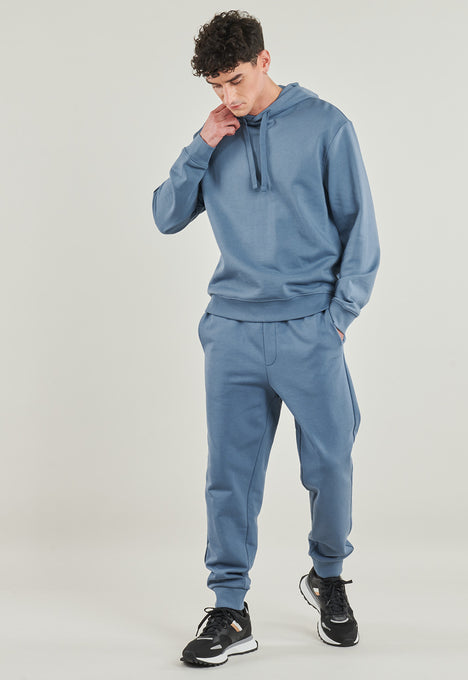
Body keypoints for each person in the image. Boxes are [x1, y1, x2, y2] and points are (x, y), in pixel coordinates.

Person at [152, 9, 380, 667]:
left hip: (310, 328)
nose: (229, 96)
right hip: (232, 333)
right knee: (229, 476)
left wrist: (338, 317)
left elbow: (359, 230)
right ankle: (229, 608)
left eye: (237, 80)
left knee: (330, 464)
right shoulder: (214, 135)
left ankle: (328, 578)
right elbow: (166, 215)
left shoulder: (326, 126)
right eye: (216, 86)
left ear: (264, 60)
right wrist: (202, 143)